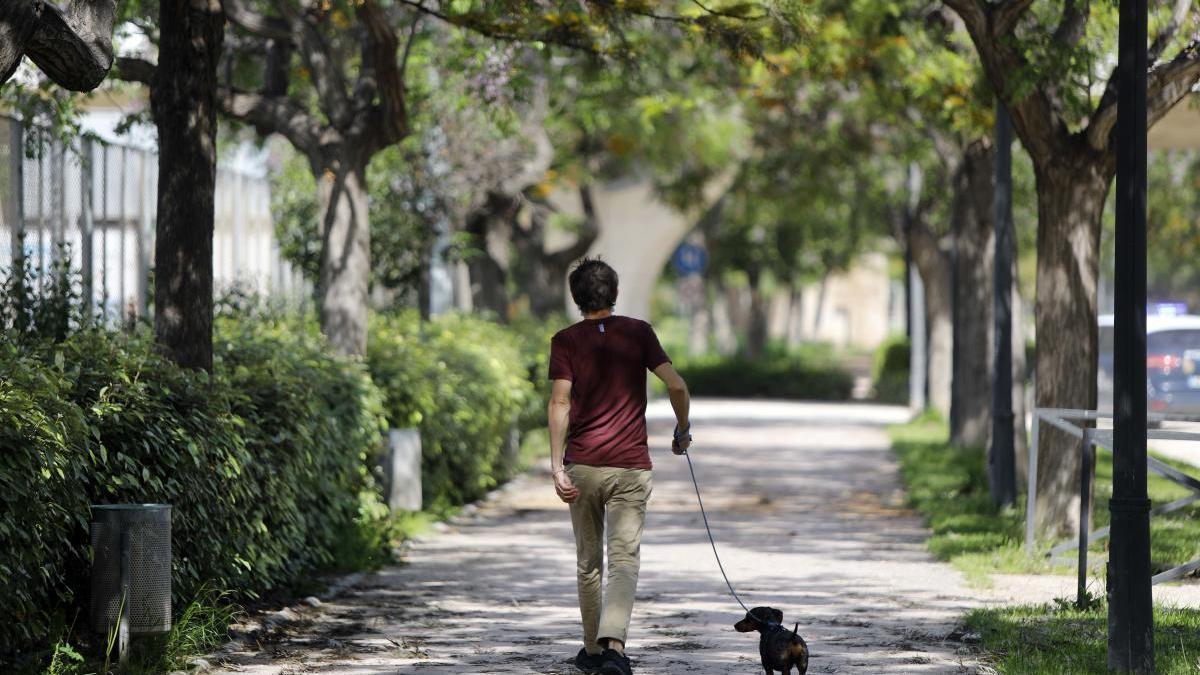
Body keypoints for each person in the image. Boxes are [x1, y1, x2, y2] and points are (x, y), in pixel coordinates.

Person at [547, 257, 692, 675]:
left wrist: (557, 466)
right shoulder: (639, 332)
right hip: (630, 468)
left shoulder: (565, 341)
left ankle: (593, 653)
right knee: (624, 560)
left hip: (583, 467)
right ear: (614, 293)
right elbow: (677, 385)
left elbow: (560, 402)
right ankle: (614, 647)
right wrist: (683, 430)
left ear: (576, 298)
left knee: (588, 561)